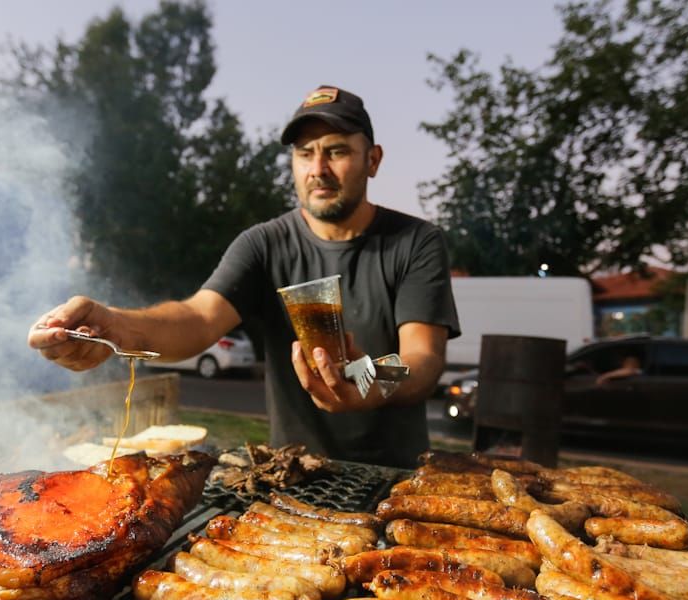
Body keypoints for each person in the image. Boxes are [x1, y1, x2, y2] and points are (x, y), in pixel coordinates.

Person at [28, 85, 461, 468]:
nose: (318, 169)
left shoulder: (416, 241)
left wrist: (369, 384)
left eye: (337, 151)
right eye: (305, 153)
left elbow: (422, 361)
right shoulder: (263, 244)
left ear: (373, 159)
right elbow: (198, 319)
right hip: (293, 475)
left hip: (401, 480)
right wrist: (117, 326)